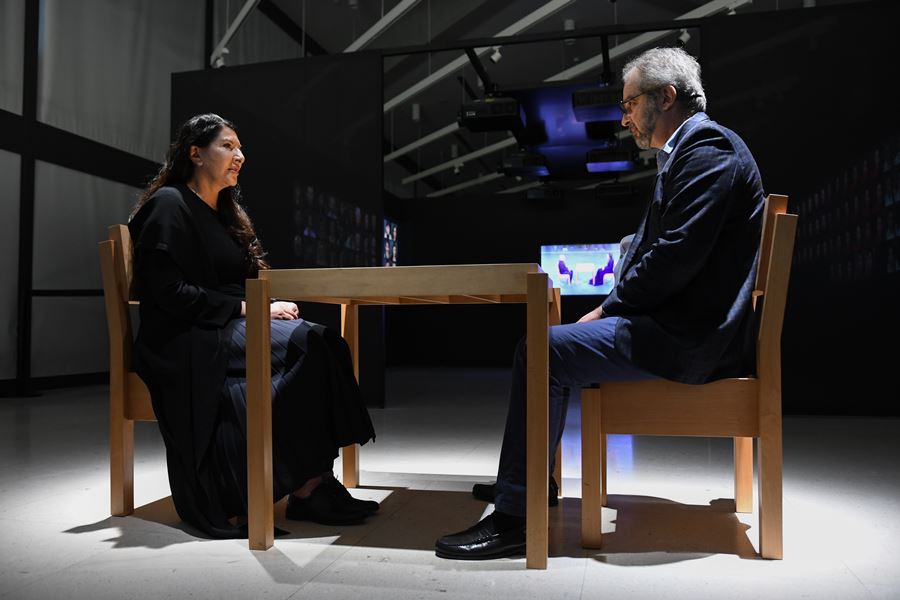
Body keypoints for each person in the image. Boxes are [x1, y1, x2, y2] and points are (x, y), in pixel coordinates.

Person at [435, 46, 765, 560]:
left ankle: (516, 516)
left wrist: (609, 308)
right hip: (682, 328)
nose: (625, 117)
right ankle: (528, 483)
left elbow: (674, 257)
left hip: (687, 339)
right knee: (547, 346)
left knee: (540, 350)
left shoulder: (708, 150)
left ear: (667, 97)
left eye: (631, 103)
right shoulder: (692, 153)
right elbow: (660, 249)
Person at [128, 113, 378, 539]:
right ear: (195, 153)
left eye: (240, 147)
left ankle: (314, 479)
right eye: (227, 146)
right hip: (185, 335)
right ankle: (306, 487)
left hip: (222, 325)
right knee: (308, 343)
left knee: (324, 342)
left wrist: (263, 306)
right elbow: (169, 294)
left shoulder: (224, 213)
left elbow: (236, 283)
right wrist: (250, 310)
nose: (239, 155)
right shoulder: (168, 204)